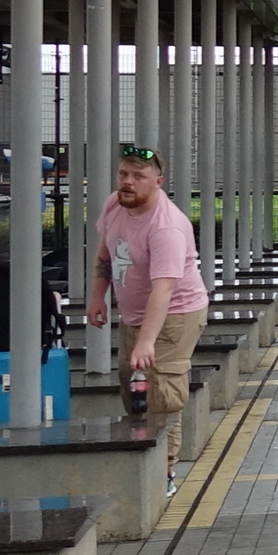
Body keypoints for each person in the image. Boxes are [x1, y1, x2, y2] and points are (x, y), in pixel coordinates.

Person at [96, 145, 208, 469]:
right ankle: (141, 459)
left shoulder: (167, 227)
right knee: (131, 387)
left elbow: (164, 289)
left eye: (138, 176)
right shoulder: (115, 204)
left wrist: (146, 342)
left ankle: (165, 473)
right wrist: (96, 296)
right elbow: (105, 251)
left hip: (175, 314)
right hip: (133, 315)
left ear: (157, 182)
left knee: (161, 394)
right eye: (123, 174)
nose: (127, 182)